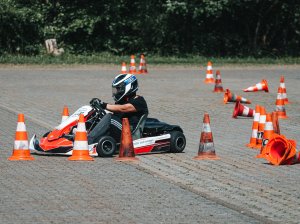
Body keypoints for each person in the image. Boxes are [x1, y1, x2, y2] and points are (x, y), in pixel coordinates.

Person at [88, 73, 148, 144]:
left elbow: (123, 108)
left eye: (118, 89)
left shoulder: (139, 101)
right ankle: (80, 132)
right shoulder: (122, 101)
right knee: (97, 115)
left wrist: (103, 105)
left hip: (128, 131)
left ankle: (89, 140)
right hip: (120, 128)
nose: (116, 92)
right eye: (115, 89)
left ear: (129, 87)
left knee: (110, 118)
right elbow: (115, 108)